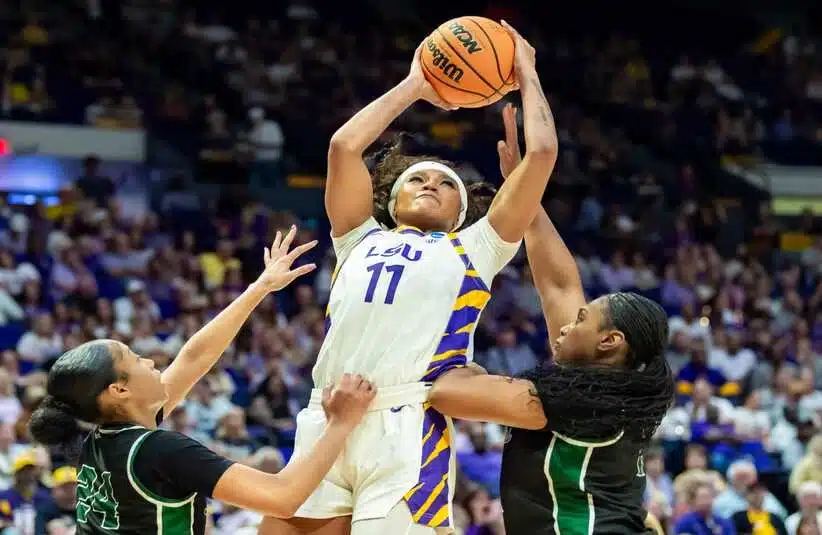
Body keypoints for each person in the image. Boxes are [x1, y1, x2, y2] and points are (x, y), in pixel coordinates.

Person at [260, 21, 557, 535]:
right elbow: (343, 148)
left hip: (405, 422)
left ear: (461, 212)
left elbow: (543, 156)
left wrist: (527, 71)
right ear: (391, 201)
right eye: (416, 178)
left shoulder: (475, 247)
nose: (429, 183)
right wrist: (418, 84)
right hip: (327, 412)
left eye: (445, 183)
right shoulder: (357, 237)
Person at [27, 228, 378, 535]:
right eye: (135, 359)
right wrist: (340, 423)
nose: (151, 360)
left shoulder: (103, 438)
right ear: (119, 390)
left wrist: (261, 287)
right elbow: (281, 498)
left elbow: (193, 358)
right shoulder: (160, 450)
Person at [428, 104, 675, 534]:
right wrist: (523, 192)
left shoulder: (572, 403)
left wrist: (471, 370)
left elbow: (445, 393)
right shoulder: (608, 388)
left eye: (582, 320)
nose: (566, 324)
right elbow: (559, 287)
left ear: (609, 341)